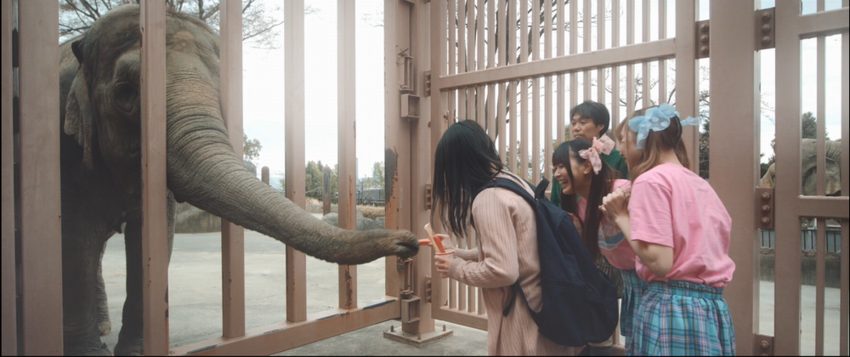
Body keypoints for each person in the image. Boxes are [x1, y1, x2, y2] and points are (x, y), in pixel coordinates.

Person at [429, 120, 576, 356]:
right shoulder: (513, 182)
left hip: (523, 319)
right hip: (546, 308)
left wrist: (455, 268)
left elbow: (503, 270)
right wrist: (456, 253)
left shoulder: (489, 198)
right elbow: (518, 250)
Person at [601, 104, 736, 355]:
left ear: (641, 140)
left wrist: (620, 216)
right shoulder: (700, 184)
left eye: (622, 140)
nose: (620, 149)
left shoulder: (650, 181)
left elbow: (660, 262)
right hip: (711, 309)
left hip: (670, 307)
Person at [552, 137, 643, 356]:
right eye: (555, 168)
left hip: (649, 276)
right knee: (634, 338)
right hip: (629, 278)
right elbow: (592, 253)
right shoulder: (581, 205)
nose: (556, 174)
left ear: (586, 165)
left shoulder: (622, 192)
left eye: (562, 166)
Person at [551, 101, 629, 207]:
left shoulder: (619, 158)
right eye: (573, 123)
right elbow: (554, 202)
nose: (575, 128)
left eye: (583, 122)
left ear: (600, 126)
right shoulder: (564, 160)